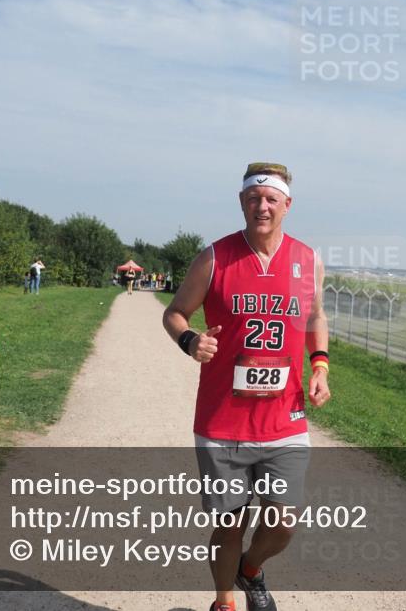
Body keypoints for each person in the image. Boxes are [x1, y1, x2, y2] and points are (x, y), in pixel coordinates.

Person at [163, 163, 330, 611]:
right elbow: (175, 312)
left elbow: (316, 316)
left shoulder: (308, 260)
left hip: (284, 419)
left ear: (287, 205)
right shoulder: (215, 258)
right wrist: (189, 340)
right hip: (223, 422)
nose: (262, 206)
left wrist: (320, 365)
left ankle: (250, 568)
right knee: (229, 523)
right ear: (242, 202)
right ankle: (224, 601)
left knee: (284, 521)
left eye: (271, 198)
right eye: (254, 198)